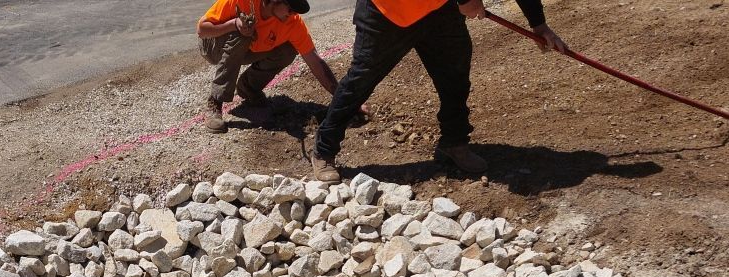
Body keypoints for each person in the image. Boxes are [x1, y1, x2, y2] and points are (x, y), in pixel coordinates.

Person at [310, 0, 567, 179]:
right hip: (387, 10)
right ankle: (324, 149)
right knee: (361, 79)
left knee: (454, 73)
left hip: (438, 9)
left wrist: (538, 24)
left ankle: (454, 142)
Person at [197, 0, 343, 134]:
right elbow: (202, 30)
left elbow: (315, 61)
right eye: (290, 8)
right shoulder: (243, 2)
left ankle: (248, 88)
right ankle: (215, 102)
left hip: (249, 48)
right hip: (213, 45)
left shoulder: (292, 22)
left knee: (288, 50)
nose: (293, 14)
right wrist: (234, 24)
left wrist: (342, 98)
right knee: (242, 35)